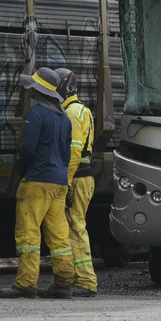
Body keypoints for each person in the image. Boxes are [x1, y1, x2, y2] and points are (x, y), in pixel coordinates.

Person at [0, 67, 75, 299]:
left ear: (38, 90)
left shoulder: (35, 114)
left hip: (37, 181)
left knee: (28, 233)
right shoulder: (64, 118)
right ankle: (64, 282)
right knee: (59, 235)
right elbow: (67, 153)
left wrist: (22, 172)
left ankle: (26, 284)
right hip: (59, 182)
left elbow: (29, 148)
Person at [55, 68, 98, 297]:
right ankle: (77, 277)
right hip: (84, 176)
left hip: (77, 177)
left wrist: (66, 182)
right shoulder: (82, 109)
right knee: (75, 225)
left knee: (76, 226)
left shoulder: (71, 113)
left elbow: (73, 152)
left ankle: (86, 281)